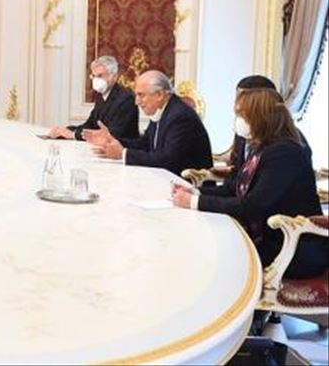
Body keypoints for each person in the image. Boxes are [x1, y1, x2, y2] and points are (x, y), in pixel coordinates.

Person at [172, 88, 327, 277]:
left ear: (260, 117)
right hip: (266, 236)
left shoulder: (285, 153)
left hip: (290, 247)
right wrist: (194, 192)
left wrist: (194, 202)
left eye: (242, 115)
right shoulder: (263, 146)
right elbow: (235, 187)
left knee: (212, 257)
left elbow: (253, 205)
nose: (238, 121)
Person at [85, 70, 212, 176]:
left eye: (141, 95)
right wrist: (113, 141)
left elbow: (168, 160)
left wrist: (123, 154)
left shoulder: (179, 116)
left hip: (188, 185)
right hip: (165, 178)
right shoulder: (162, 110)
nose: (137, 102)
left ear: (159, 95)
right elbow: (144, 144)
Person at [48, 55, 138, 141]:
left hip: (122, 149)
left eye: (100, 76)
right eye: (93, 76)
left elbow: (113, 134)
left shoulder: (126, 99)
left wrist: (73, 135)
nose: (96, 80)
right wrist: (65, 130)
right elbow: (90, 125)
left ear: (114, 76)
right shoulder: (100, 96)